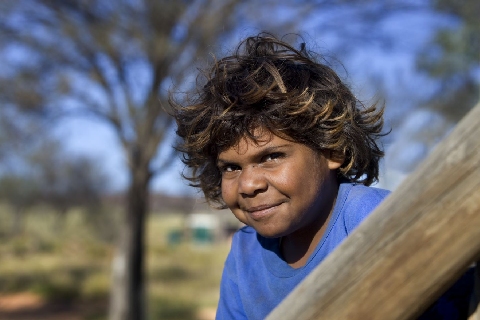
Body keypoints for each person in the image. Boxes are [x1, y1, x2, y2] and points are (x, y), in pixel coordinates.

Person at [171, 33, 474, 320]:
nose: (249, 184)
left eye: (272, 157)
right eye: (231, 168)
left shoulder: (376, 220)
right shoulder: (245, 252)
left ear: (332, 150)